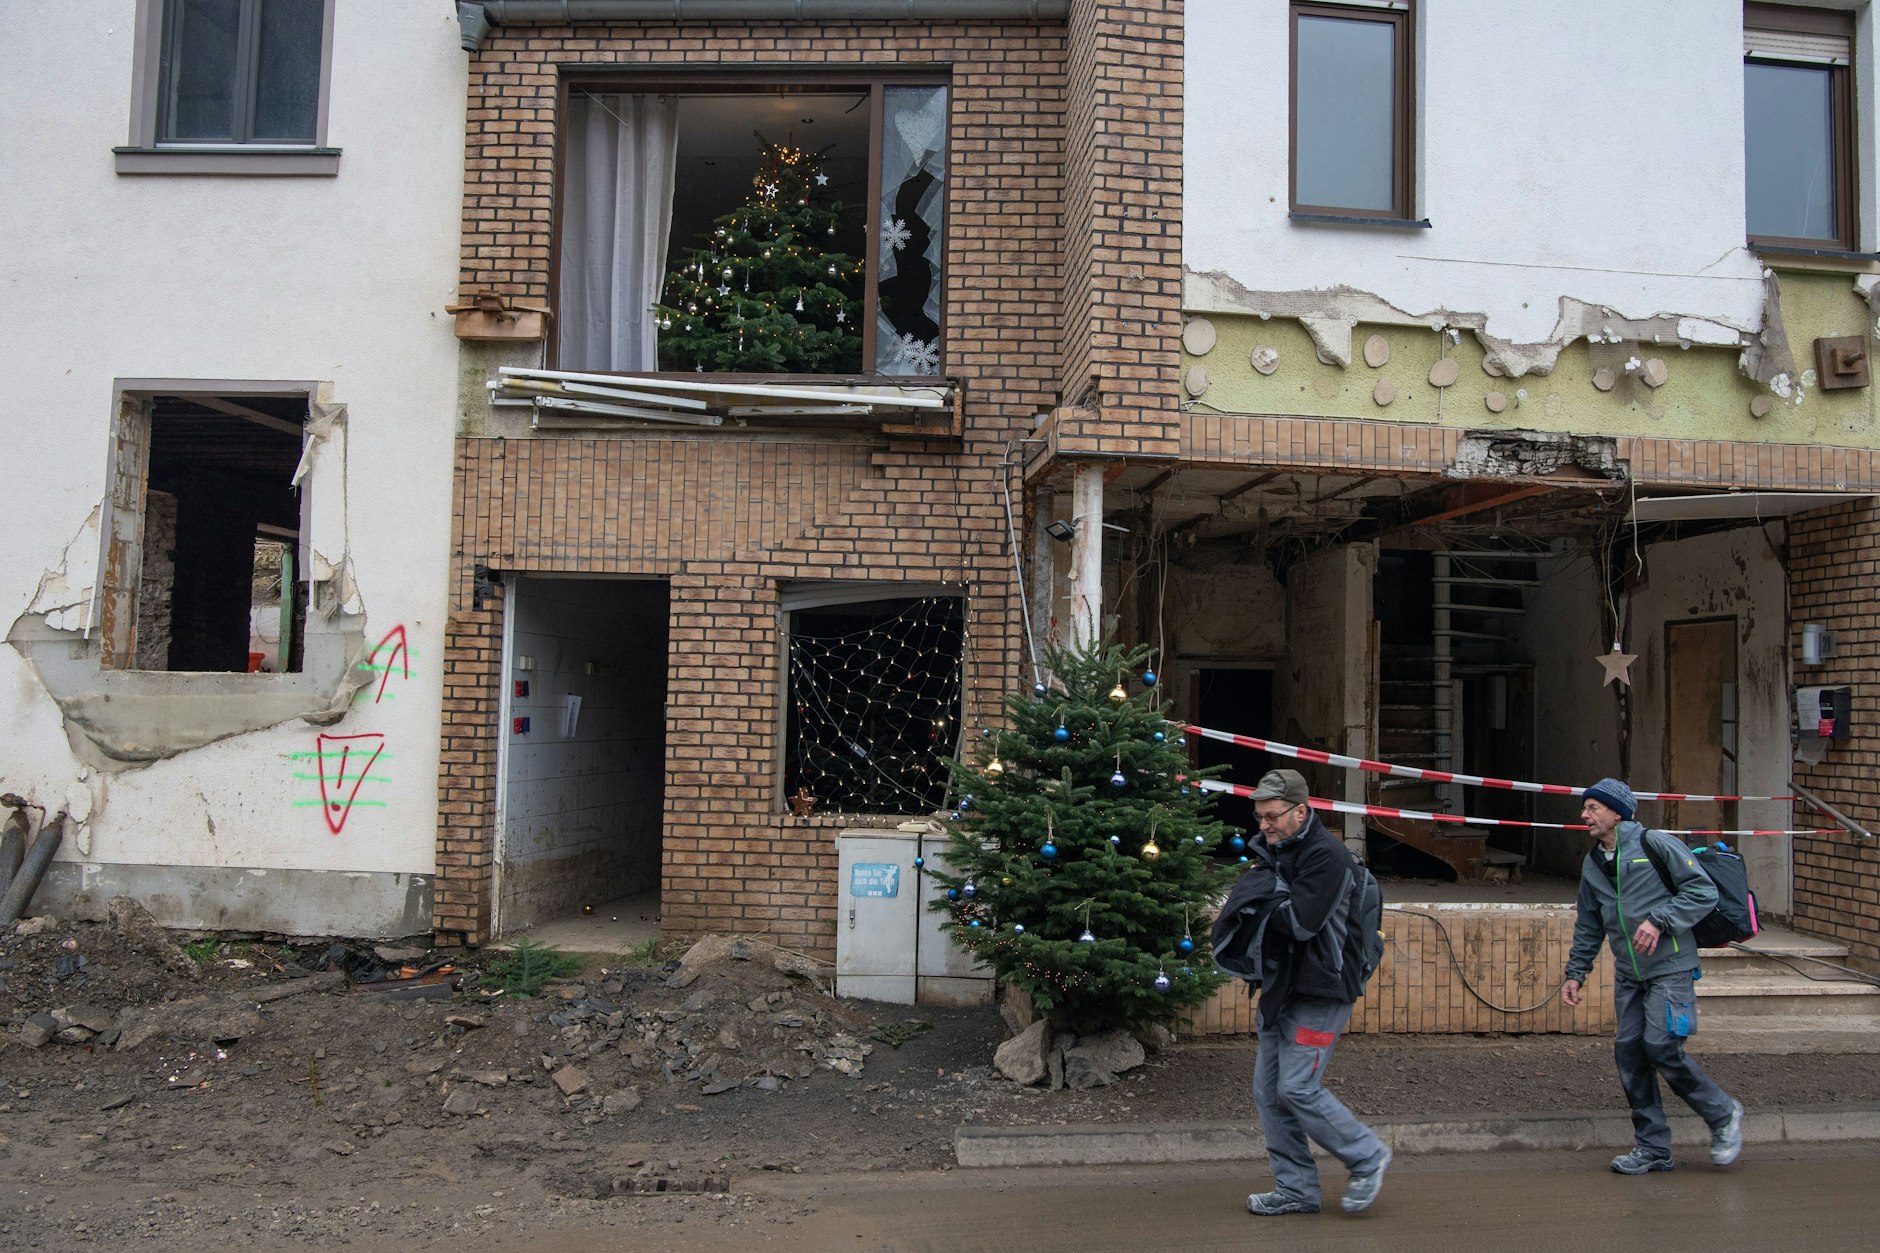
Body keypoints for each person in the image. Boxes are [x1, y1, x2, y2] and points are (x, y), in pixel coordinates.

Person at [1561, 777, 1745, 1175]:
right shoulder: (1593, 863)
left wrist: (1660, 921)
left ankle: (1723, 1114)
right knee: (1630, 1054)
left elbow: (1703, 891)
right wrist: (1576, 972)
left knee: (1660, 1046)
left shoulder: (1654, 844)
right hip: (1630, 974)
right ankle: (1653, 1148)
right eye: (1585, 807)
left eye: (1593, 807)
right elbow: (1589, 923)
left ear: (1616, 812)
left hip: (1671, 969)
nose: (1585, 815)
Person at [1239, 768, 1392, 1217]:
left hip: (1322, 990)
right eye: (1259, 817)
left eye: (1271, 816)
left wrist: (1257, 903)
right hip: (1283, 986)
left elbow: (1301, 923)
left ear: (1300, 811)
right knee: (1270, 1093)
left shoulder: (1327, 858)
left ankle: (1367, 1156)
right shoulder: (1279, 851)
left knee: (1298, 1087)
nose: (1263, 825)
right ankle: (1296, 1190)